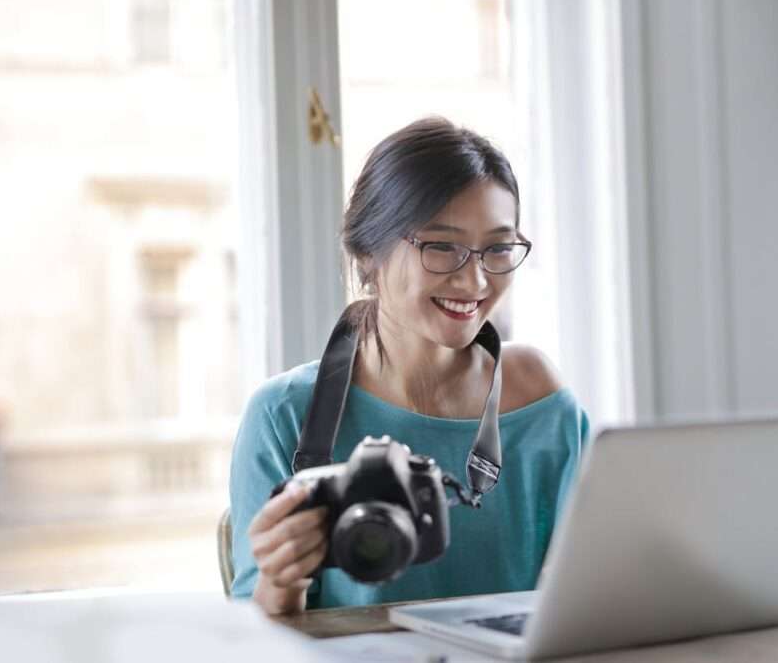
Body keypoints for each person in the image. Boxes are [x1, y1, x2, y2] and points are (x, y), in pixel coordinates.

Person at [229, 117, 590, 615]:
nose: (476, 280)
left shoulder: (538, 397)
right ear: (366, 253)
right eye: (442, 246)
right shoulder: (286, 415)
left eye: (498, 248)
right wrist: (281, 581)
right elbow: (256, 638)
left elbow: (604, 587)